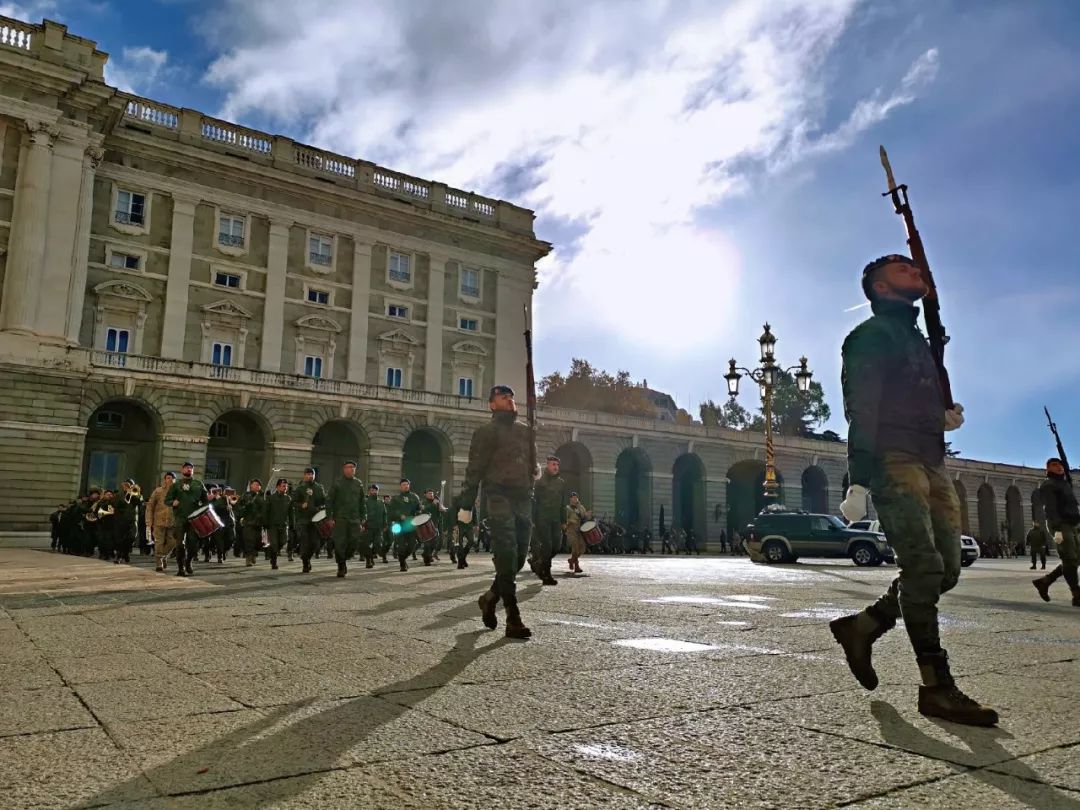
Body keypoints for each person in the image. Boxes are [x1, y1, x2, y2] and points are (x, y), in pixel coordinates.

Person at [830, 254, 997, 726]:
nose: (916, 271)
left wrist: (941, 416)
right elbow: (862, 408)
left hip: (931, 458)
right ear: (880, 288)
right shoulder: (868, 336)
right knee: (922, 566)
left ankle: (864, 626)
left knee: (946, 569)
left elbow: (919, 393)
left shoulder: (918, 339)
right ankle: (936, 687)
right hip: (894, 459)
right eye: (903, 269)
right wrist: (859, 478)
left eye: (916, 267)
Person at [458, 384, 535, 640]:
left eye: (511, 396)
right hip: (498, 496)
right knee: (506, 554)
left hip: (522, 499)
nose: (509, 399)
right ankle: (513, 617)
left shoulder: (525, 431)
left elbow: (531, 463)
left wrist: (533, 476)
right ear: (492, 404)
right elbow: (474, 469)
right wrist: (466, 504)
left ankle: (490, 597)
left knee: (518, 559)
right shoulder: (485, 432)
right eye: (503, 397)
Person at [1032, 458, 1080, 606]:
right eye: (1054, 465)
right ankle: (1076, 595)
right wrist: (1058, 529)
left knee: (1075, 559)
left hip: (1074, 523)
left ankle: (1045, 581)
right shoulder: (1048, 485)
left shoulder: (1065, 483)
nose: (1059, 467)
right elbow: (1051, 508)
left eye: (1060, 465)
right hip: (1061, 524)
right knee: (1070, 559)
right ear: (1047, 469)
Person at [165, 461, 208, 576]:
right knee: (180, 544)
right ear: (182, 470)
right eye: (186, 467)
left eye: (191, 468)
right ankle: (181, 568)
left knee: (193, 544)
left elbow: (206, 502)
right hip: (180, 518)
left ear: (193, 471)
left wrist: (202, 507)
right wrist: (172, 502)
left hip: (194, 519)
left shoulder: (198, 484)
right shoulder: (176, 485)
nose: (189, 469)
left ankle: (188, 561)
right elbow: (167, 500)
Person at [326, 461, 366, 577]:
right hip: (340, 519)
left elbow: (362, 502)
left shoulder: (358, 483)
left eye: (353, 467)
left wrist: (363, 517)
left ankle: (345, 557)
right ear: (344, 469)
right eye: (349, 467)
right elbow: (329, 501)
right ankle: (341, 565)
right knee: (340, 543)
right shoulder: (337, 483)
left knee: (354, 542)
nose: (351, 469)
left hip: (354, 519)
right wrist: (330, 517)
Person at [530, 455, 566, 585]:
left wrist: (563, 521)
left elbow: (563, 503)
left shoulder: (561, 483)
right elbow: (534, 502)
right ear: (547, 465)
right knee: (547, 546)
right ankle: (546, 575)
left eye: (557, 465)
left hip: (556, 519)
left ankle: (538, 563)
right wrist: (532, 519)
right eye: (553, 464)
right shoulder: (539, 482)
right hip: (542, 518)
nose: (556, 467)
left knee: (556, 547)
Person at [291, 467, 326, 574]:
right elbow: (293, 503)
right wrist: (301, 505)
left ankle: (307, 558)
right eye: (308, 474)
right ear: (304, 475)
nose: (310, 476)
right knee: (305, 542)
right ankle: (305, 563)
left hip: (316, 519)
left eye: (312, 474)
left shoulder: (319, 488)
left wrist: (322, 508)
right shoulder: (300, 489)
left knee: (315, 543)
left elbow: (323, 501)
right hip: (303, 519)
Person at [388, 478, 422, 572]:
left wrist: (420, 510)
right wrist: (399, 515)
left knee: (413, 544)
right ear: (400, 486)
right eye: (404, 484)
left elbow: (418, 509)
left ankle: (403, 558)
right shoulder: (395, 499)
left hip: (411, 524)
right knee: (401, 546)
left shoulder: (414, 497)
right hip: (399, 525)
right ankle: (402, 564)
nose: (406, 486)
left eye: (407, 484)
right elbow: (391, 512)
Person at [146, 473, 176, 572]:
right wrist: (149, 520)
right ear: (165, 480)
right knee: (159, 542)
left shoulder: (178, 492)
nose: (170, 480)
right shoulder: (158, 491)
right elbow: (150, 506)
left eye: (172, 478)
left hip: (173, 522)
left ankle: (163, 556)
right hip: (159, 521)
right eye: (168, 478)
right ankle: (159, 562)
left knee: (173, 542)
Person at [237, 478, 266, 567]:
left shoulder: (263, 496)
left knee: (258, 542)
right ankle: (248, 558)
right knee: (249, 541)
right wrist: (245, 508)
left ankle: (254, 554)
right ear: (251, 486)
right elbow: (239, 507)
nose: (257, 486)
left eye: (258, 485)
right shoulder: (245, 495)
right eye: (255, 484)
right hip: (248, 522)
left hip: (258, 523)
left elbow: (266, 508)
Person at [265, 478, 291, 571]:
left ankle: (271, 551)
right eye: (283, 486)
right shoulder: (271, 498)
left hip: (283, 525)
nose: (285, 488)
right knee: (274, 543)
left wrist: (292, 523)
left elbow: (290, 512)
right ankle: (274, 562)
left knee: (283, 541)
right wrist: (265, 523)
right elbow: (266, 511)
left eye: (286, 486)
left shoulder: (288, 498)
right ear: (278, 487)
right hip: (272, 525)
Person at [420, 489, 446, 566]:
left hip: (437, 524)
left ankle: (428, 554)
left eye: (432, 493)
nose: (431, 495)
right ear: (425, 495)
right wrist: (433, 504)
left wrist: (442, 508)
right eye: (429, 493)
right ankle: (427, 559)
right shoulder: (423, 502)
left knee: (436, 542)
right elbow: (423, 510)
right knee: (428, 542)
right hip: (427, 525)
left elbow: (442, 510)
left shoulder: (437, 501)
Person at [209, 485, 235, 563]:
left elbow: (237, 505)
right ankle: (220, 556)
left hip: (229, 522)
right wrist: (222, 504)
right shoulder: (216, 500)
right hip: (219, 522)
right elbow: (212, 508)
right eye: (225, 491)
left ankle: (224, 551)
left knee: (230, 539)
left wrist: (232, 504)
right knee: (219, 541)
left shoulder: (230, 499)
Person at [365, 484, 387, 566]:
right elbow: (362, 513)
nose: (374, 492)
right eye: (372, 490)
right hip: (368, 526)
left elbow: (384, 514)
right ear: (369, 491)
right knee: (367, 544)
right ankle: (368, 561)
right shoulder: (366, 501)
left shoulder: (381, 502)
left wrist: (385, 524)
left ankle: (371, 556)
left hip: (378, 527)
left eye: (376, 490)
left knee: (378, 544)